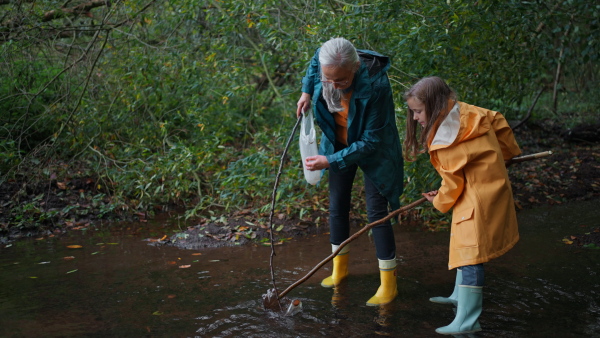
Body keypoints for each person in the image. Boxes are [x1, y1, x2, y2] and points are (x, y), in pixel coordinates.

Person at [403, 76, 521, 335]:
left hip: (475, 197)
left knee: (471, 255)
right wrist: (508, 155)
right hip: (487, 188)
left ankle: (467, 321)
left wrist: (438, 200)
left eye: (418, 111)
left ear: (434, 106)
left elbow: (452, 185)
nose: (414, 118)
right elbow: (498, 120)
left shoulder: (448, 140)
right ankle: (459, 295)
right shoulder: (469, 112)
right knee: (463, 243)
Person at [296, 37, 404, 306]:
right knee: (337, 207)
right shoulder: (326, 63)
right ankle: (339, 270)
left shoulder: (377, 87)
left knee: (377, 214)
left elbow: (370, 142)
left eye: (341, 81)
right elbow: (314, 61)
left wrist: (330, 161)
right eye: (327, 79)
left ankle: (388, 285)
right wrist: (307, 91)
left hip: (374, 151)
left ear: (355, 68)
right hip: (337, 141)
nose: (332, 85)